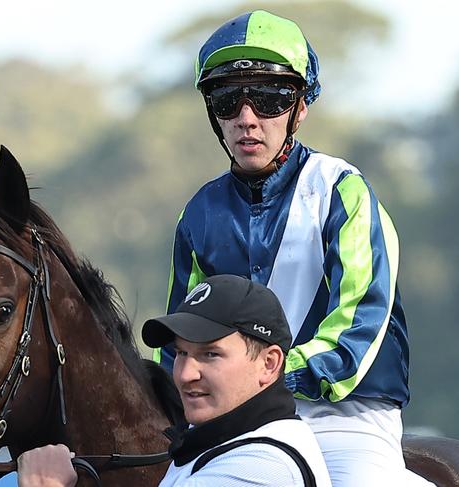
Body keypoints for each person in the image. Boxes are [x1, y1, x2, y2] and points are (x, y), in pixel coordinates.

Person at [157, 9, 433, 487]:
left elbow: (360, 324)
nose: (247, 119)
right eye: (227, 101)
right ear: (212, 113)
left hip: (344, 418)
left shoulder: (341, 190)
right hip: (233, 417)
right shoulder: (197, 214)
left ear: (300, 108)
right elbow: (181, 339)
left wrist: (267, 383)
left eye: (268, 99)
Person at [18, 274, 332, 486]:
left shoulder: (259, 468)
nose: (184, 374)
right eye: (181, 353)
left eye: (210, 354)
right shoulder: (214, 444)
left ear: (269, 364)